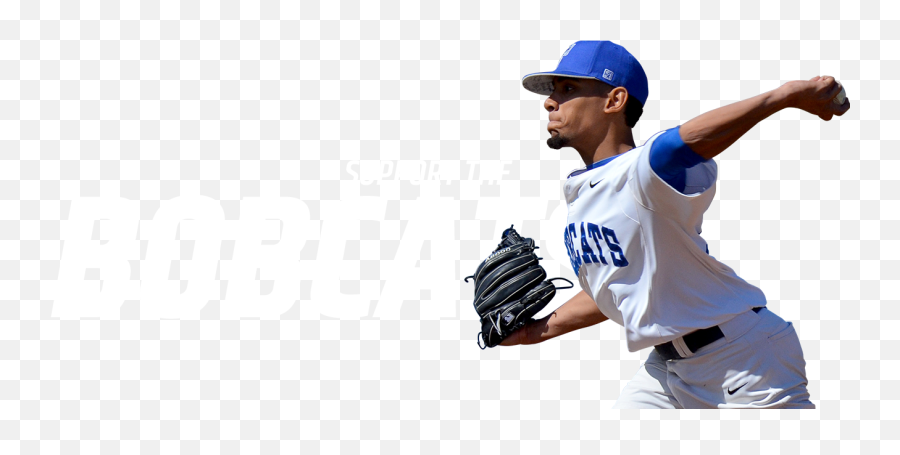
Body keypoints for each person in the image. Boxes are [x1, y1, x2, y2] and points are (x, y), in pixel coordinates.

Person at [501, 40, 850, 409]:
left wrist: (783, 97)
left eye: (568, 89)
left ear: (614, 101)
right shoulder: (589, 188)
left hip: (743, 361)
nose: (550, 102)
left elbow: (682, 144)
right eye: (554, 91)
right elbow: (617, 289)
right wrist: (533, 332)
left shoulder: (642, 173)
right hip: (668, 368)